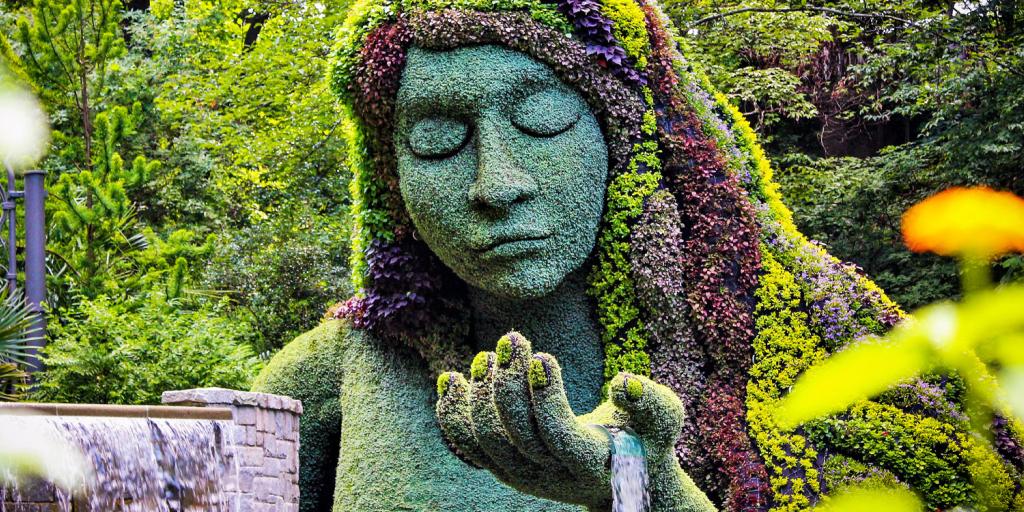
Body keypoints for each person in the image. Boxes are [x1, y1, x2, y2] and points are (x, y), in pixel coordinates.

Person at [253, 0, 1024, 509]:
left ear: (627, 138)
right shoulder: (353, 366)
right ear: (390, 180)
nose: (497, 183)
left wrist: (638, 485)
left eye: (544, 120)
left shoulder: (818, 342)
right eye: (437, 139)